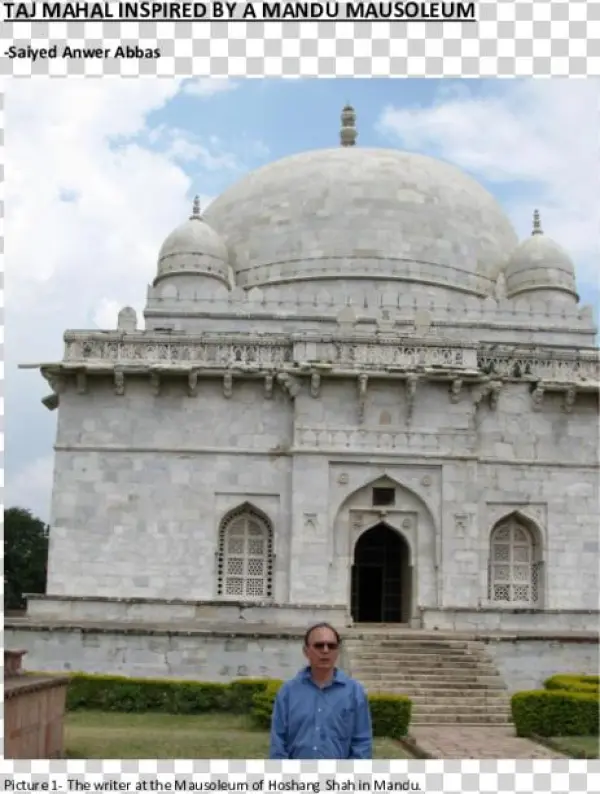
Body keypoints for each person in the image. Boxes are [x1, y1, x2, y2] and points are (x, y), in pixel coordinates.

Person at [269, 622, 373, 759]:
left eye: (331, 646)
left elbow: (362, 744)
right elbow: (278, 743)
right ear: (306, 651)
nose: (325, 650)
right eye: (319, 645)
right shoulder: (287, 692)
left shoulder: (354, 692)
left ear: (337, 651)